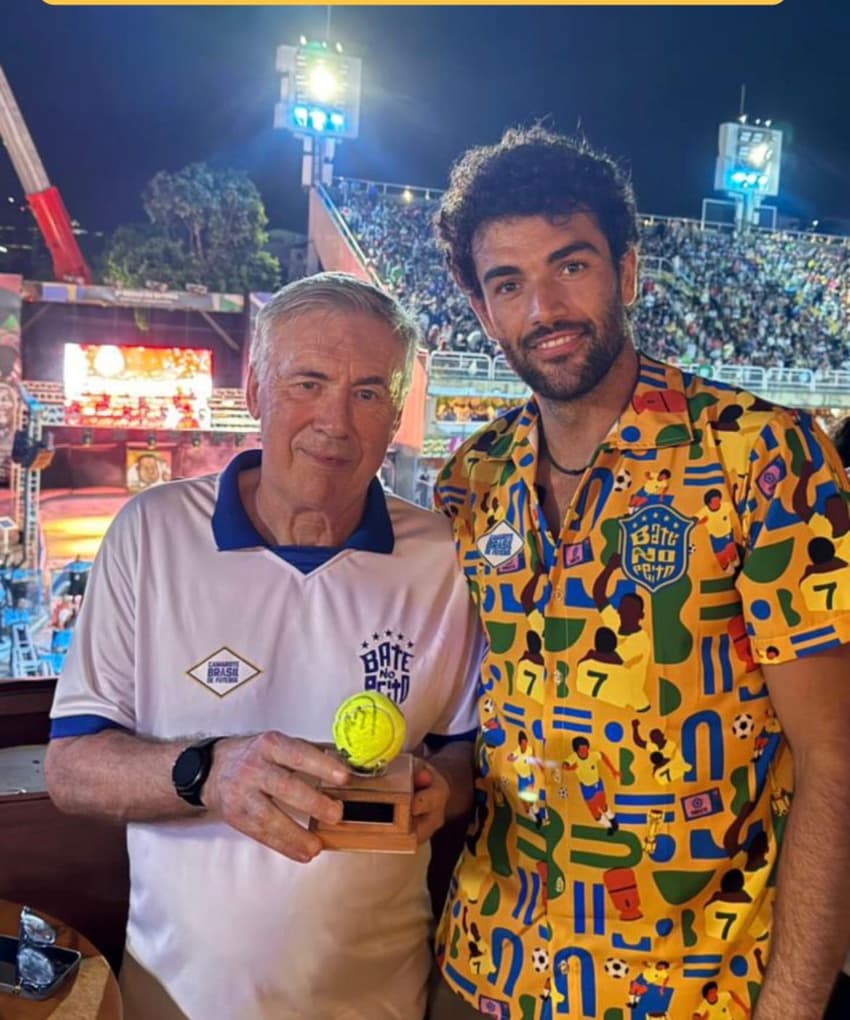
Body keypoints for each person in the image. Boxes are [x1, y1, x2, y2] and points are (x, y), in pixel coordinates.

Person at [428, 126, 850, 1019]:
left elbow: (835, 756)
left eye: (570, 265)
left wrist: (793, 1008)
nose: (544, 306)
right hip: (484, 969)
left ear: (626, 271)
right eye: (508, 283)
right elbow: (480, 716)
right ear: (481, 309)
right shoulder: (471, 478)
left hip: (693, 991)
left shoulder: (763, 457)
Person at [45, 273, 483, 1020]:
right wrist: (208, 772)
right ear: (254, 389)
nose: (336, 422)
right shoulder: (149, 534)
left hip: (381, 1002)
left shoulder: (444, 558)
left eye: (369, 392)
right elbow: (71, 769)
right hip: (174, 1003)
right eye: (308, 382)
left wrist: (443, 794)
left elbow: (465, 755)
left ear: (397, 412)